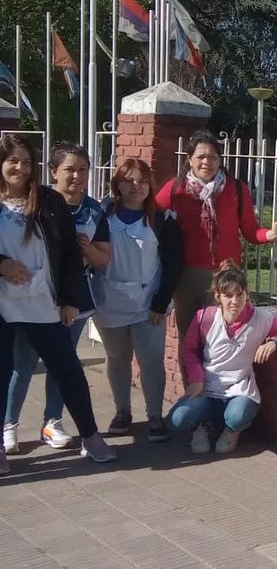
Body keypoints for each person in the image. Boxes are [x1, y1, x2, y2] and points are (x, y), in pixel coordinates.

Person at [0, 135, 113, 473]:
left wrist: (70, 301)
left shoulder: (49, 201)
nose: (19, 167)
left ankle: (91, 437)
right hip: (3, 306)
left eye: (24, 161)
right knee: (3, 374)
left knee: (69, 371)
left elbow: (67, 257)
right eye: (11, 161)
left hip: (44, 304)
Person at [155, 129, 277, 343]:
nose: (207, 162)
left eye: (213, 157)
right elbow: (150, 217)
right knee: (189, 339)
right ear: (189, 159)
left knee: (221, 337)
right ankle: (192, 378)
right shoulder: (176, 190)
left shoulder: (236, 189)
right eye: (201, 157)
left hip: (226, 276)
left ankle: (215, 378)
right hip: (187, 276)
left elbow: (251, 231)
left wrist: (269, 234)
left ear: (220, 160)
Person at [168, 260, 277, 455]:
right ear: (217, 297)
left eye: (240, 295)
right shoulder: (205, 317)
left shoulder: (261, 318)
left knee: (237, 416)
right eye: (228, 296)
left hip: (240, 389)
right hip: (208, 387)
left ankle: (231, 430)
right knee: (178, 419)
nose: (235, 301)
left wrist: (274, 343)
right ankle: (201, 427)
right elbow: (190, 350)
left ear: (247, 295)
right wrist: (196, 379)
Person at [93, 159, 182, 444]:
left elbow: (173, 263)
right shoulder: (103, 214)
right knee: (117, 359)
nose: (136, 186)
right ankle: (122, 412)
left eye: (142, 181)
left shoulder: (162, 219)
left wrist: (160, 303)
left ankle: (155, 415)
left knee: (151, 361)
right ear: (117, 184)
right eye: (128, 180)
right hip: (109, 301)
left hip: (148, 306)